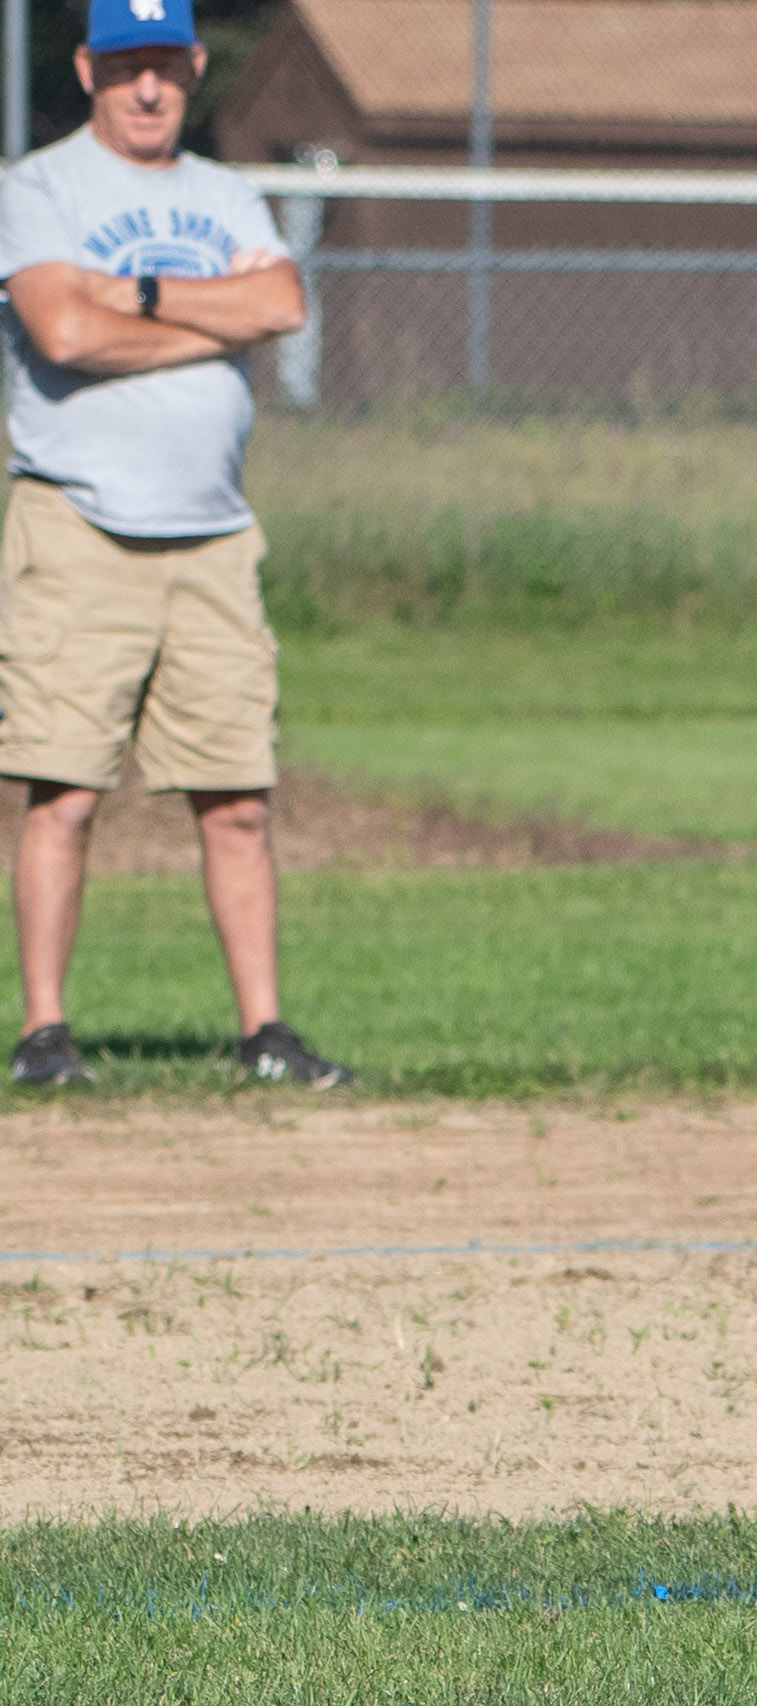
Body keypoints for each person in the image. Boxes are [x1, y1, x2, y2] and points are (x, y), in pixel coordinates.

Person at [0, 0, 344, 1092]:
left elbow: (283, 301)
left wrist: (140, 293)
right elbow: (62, 330)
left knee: (238, 797)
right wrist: (209, 319)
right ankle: (46, 1033)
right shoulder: (37, 188)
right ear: (89, 66)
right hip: (78, 523)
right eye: (126, 68)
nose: (148, 91)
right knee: (64, 789)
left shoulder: (226, 192)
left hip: (214, 537)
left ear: (196, 66)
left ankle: (266, 1036)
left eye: (166, 68)